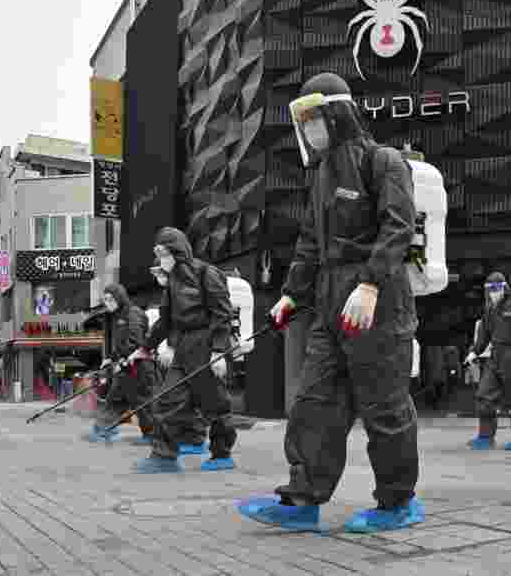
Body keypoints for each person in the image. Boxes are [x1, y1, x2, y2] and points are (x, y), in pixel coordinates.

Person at [241, 72, 422, 533]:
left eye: (313, 118)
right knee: (313, 401)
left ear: (336, 114)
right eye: (303, 121)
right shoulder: (320, 175)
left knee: (384, 404)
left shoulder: (384, 162)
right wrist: (289, 295)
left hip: (376, 303)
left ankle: (397, 503)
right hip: (328, 303)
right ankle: (302, 499)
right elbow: (310, 243)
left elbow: (398, 226)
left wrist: (371, 283)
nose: (308, 129)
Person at [134, 227, 239, 473]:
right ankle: (164, 456)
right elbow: (165, 321)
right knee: (166, 398)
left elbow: (222, 314)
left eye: (163, 253)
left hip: (206, 344)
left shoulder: (206, 273)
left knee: (214, 404)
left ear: (177, 251)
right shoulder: (171, 282)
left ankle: (222, 454)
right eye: (158, 254)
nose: (161, 260)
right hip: (183, 346)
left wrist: (218, 352)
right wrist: (145, 348)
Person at [465, 272, 511, 451]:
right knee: (484, 395)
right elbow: (484, 336)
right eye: (490, 290)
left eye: (497, 289)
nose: (493, 293)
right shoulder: (490, 309)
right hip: (495, 356)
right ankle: (485, 436)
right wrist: (474, 352)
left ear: (504, 287)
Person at [148, 259, 210, 454]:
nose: (158, 277)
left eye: (160, 272)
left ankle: (196, 442)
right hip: (184, 352)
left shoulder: (186, 290)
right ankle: (193, 439)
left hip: (196, 350)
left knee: (185, 397)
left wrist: (171, 347)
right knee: (186, 398)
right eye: (155, 273)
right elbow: (166, 324)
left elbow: (181, 324)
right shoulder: (171, 293)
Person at [85, 284, 150, 444]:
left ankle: (152, 435)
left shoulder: (133, 313)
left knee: (143, 402)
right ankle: (103, 429)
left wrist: (122, 358)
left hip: (138, 366)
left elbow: (136, 341)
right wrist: (110, 358)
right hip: (124, 367)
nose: (107, 302)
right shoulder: (114, 316)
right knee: (115, 399)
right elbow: (120, 344)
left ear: (119, 297)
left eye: (110, 299)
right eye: (105, 299)